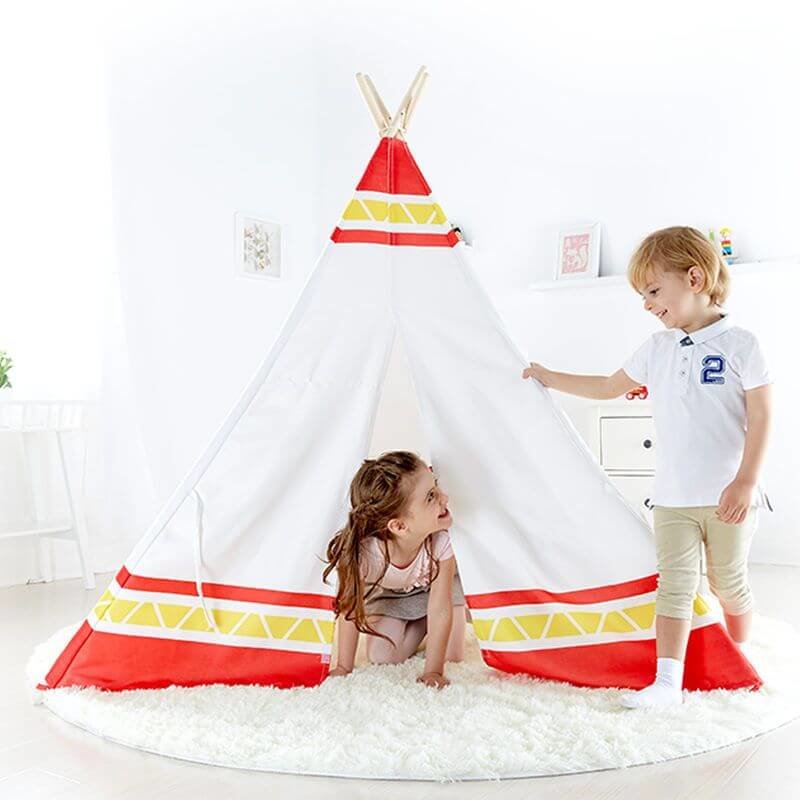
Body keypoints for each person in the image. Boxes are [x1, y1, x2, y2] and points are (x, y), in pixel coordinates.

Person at [522, 226, 772, 708]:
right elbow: (607, 386)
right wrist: (549, 377)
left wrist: (746, 481)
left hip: (729, 496)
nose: (646, 304)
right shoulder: (657, 348)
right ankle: (667, 682)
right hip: (673, 498)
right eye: (643, 295)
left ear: (695, 279)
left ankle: (742, 653)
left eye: (654, 291)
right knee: (674, 586)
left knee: (727, 583)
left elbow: (761, 416)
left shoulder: (742, 345)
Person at [323, 451, 466, 689]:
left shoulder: (441, 543)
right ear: (399, 526)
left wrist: (433, 671)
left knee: (453, 655)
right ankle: (424, 624)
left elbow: (440, 606)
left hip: (441, 594)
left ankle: (436, 624)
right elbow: (350, 608)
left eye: (436, 487)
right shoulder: (364, 555)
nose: (445, 498)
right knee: (381, 656)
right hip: (394, 597)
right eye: (431, 497)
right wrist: (343, 667)